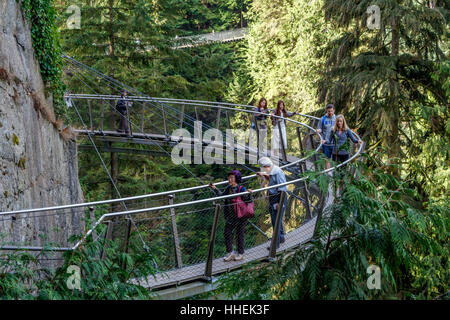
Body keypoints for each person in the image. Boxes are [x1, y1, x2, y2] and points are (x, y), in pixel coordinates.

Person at [208, 170, 253, 262]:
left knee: (239, 234)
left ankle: (241, 254)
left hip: (241, 216)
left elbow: (248, 201)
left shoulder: (241, 189)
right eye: (229, 177)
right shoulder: (229, 188)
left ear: (236, 179)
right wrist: (215, 188)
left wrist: (249, 194)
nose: (229, 179)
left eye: (232, 177)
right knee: (227, 233)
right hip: (230, 216)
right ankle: (230, 253)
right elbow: (222, 196)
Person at [256, 157, 287, 249]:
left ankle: (275, 245)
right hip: (273, 198)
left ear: (266, 166)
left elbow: (282, 189)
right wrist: (263, 175)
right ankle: (281, 238)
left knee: (275, 221)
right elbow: (272, 180)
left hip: (278, 199)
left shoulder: (278, 172)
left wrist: (279, 203)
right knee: (277, 219)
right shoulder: (273, 172)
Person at [317, 104, 336, 169]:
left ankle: (335, 173)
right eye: (328, 111)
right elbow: (319, 128)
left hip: (335, 143)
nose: (330, 113)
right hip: (325, 143)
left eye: (331, 111)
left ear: (334, 110)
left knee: (335, 159)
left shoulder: (337, 119)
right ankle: (328, 173)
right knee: (327, 159)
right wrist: (319, 130)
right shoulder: (323, 119)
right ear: (326, 111)